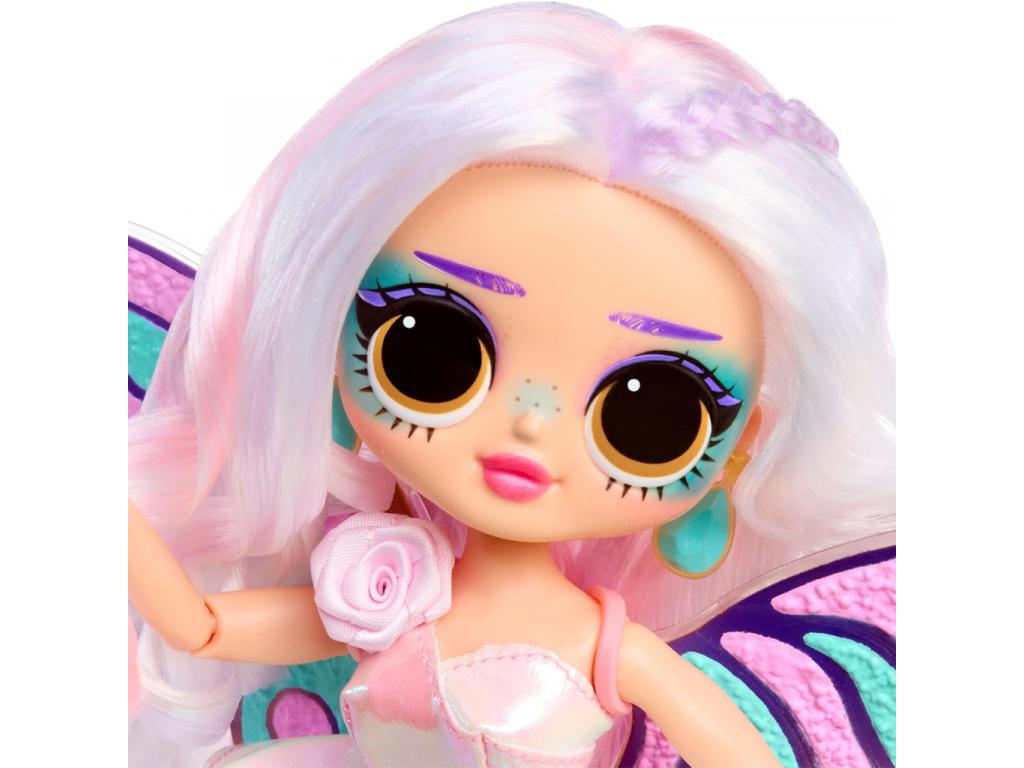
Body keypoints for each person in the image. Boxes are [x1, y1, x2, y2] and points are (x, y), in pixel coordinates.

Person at [128, 5, 896, 767]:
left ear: (735, 452)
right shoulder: (383, 597)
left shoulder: (608, 650)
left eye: (652, 413)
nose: (530, 422)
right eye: (431, 349)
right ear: (333, 338)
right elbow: (201, 627)